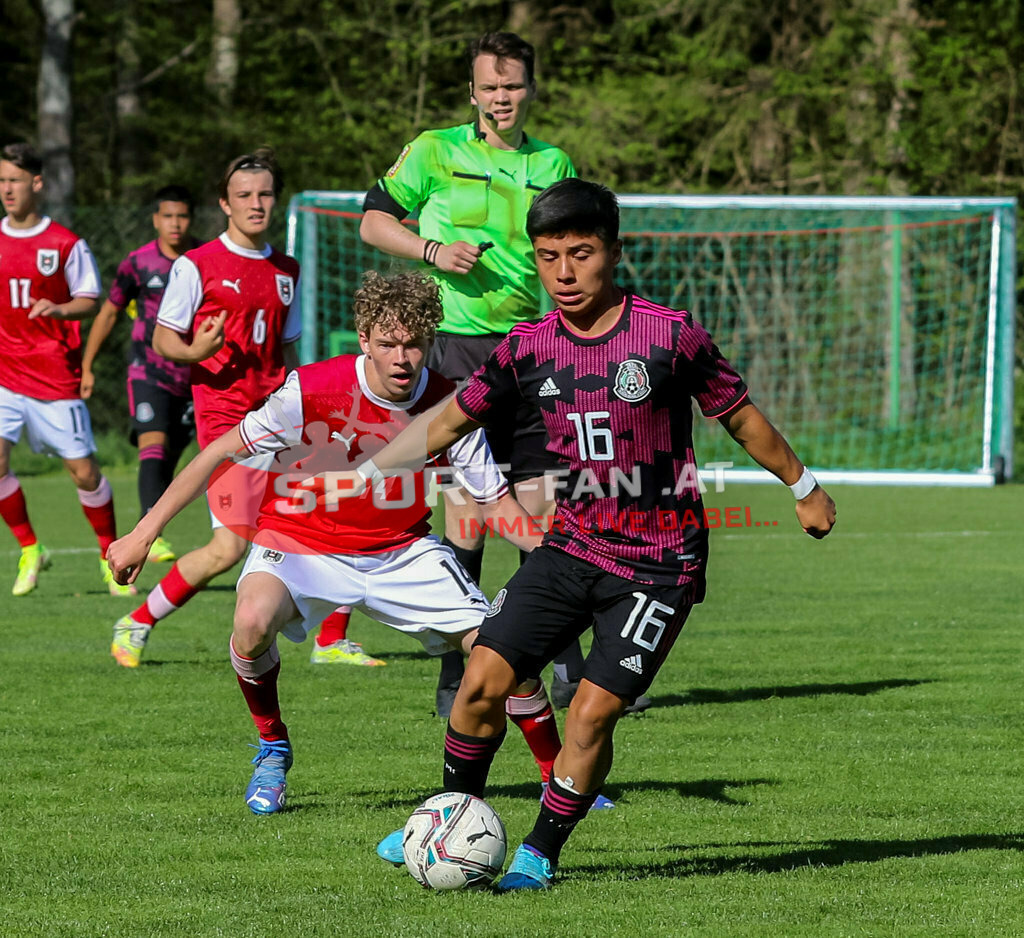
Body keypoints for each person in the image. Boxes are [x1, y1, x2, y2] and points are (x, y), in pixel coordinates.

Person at [361, 179, 837, 888]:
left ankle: (539, 853)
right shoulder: (528, 345)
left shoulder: (669, 336)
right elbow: (454, 418)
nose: (564, 272)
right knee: (482, 682)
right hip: (571, 546)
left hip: (658, 567)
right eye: (549, 256)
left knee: (587, 714)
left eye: (580, 254)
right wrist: (373, 465)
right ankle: (449, 815)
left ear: (612, 251)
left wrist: (803, 485)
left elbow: (737, 414)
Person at [106, 270, 565, 816]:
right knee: (251, 623)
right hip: (300, 541)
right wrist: (143, 532)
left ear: (431, 342)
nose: (401, 358)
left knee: (504, 654)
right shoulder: (311, 389)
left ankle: (559, 778)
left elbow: (494, 503)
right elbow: (218, 453)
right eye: (388, 344)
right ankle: (273, 746)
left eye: (414, 344)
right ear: (364, 339)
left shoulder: (453, 404)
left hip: (402, 550)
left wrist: (565, 557)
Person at [360, 30, 583, 714]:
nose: (501, 99)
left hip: (531, 347)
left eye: (512, 87)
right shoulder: (434, 149)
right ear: (472, 92)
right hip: (454, 349)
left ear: (530, 90)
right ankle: (460, 670)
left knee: (541, 505)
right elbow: (372, 221)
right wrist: (431, 248)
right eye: (490, 87)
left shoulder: (554, 162)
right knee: (468, 512)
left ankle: (561, 661)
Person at [109, 147, 302, 667]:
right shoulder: (198, 265)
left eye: (264, 194)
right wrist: (198, 350)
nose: (256, 204)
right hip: (225, 421)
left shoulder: (288, 269)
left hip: (278, 419)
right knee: (227, 550)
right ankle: (136, 621)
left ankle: (329, 639)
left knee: (322, 520)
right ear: (225, 203)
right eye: (244, 196)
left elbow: (287, 350)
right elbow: (164, 338)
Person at [0, 141, 135, 598]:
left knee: (83, 473)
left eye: (15, 180)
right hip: (4, 376)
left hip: (54, 377)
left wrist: (59, 310)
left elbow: (89, 298)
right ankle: (30, 549)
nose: (7, 189)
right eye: (2, 181)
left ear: (36, 184)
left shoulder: (64, 243)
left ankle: (108, 555)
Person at [80, 185, 199, 564]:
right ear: (155, 220)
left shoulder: (204, 258)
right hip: (147, 371)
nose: (175, 224)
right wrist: (87, 365)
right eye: (168, 216)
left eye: (181, 216)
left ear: (191, 219)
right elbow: (109, 312)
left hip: (193, 373)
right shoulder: (138, 263)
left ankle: (151, 524)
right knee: (153, 444)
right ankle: (152, 529)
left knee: (170, 458)